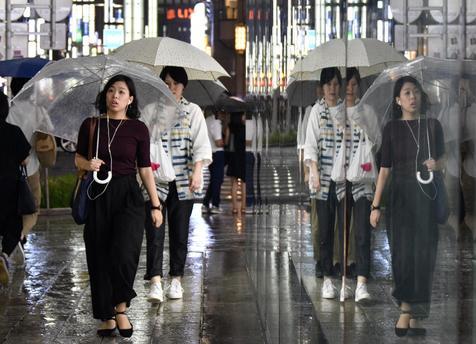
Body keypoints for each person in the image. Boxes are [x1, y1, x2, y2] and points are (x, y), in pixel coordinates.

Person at [75, 74, 163, 337]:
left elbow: (145, 169)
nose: (115, 95)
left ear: (130, 99)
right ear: (105, 96)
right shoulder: (91, 125)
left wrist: (156, 206)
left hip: (128, 194)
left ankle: (121, 308)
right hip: (97, 194)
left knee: (126, 252)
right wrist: (86, 164)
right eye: (111, 90)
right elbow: (78, 158)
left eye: (122, 92)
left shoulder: (138, 129)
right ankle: (106, 315)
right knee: (99, 254)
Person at [370, 76, 445, 337]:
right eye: (407, 92)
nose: (413, 97)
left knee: (424, 256)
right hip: (400, 200)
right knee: (402, 255)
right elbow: (384, 170)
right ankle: (405, 309)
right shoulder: (391, 129)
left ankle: (415, 315)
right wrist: (375, 205)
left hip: (425, 198)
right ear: (398, 99)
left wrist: (438, 164)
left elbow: (446, 159)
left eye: (416, 92)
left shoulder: (433, 126)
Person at [144, 66, 211, 303]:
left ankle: (176, 280)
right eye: (167, 83)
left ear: (183, 86)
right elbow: (144, 146)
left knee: (180, 232)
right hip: (157, 181)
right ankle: (155, 282)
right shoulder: (151, 111)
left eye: (176, 84)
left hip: (184, 181)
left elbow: (202, 145)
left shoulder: (193, 111)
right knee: (154, 232)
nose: (171, 88)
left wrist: (198, 172)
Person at [304, 67, 351, 300]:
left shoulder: (347, 110)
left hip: (343, 179)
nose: (332, 89)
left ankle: (342, 273)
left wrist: (347, 130)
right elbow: (310, 144)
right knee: (324, 229)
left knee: (343, 228)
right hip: (322, 180)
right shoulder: (316, 111)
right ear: (322, 88)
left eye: (335, 84)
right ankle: (327, 277)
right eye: (328, 84)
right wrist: (312, 170)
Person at [344, 68, 374, 302]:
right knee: (343, 232)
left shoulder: (368, 111)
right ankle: (344, 276)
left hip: (363, 181)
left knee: (363, 233)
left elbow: (377, 142)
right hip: (341, 181)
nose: (350, 89)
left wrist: (364, 125)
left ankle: (362, 281)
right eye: (347, 84)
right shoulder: (336, 112)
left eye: (354, 84)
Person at [0, 92, 31, 286]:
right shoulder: (14, 131)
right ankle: (4, 255)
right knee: (13, 224)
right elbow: (25, 159)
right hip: (10, 186)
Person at [202, 109, 226, 214]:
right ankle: (215, 205)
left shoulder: (207, 120)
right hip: (218, 153)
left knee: (214, 180)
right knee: (217, 180)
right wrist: (227, 140)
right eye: (224, 113)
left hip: (210, 152)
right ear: (219, 112)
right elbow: (218, 142)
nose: (225, 116)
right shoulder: (216, 123)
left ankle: (206, 203)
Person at [225, 113, 246, 214]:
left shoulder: (230, 127)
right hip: (242, 156)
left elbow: (227, 142)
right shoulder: (244, 127)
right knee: (243, 183)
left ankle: (234, 207)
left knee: (233, 183)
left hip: (233, 157)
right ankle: (243, 207)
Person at [245, 112, 256, 213]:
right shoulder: (251, 122)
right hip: (248, 154)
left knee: (248, 179)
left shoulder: (248, 124)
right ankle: (249, 201)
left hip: (247, 153)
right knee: (248, 179)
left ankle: (249, 203)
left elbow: (249, 141)